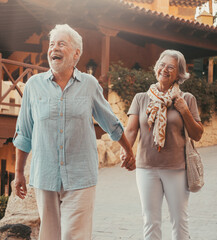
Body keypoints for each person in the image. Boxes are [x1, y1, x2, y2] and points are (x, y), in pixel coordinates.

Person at [13, 24, 135, 240]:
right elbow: (24, 132)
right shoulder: (33, 85)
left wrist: (128, 150)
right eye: (52, 44)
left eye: (61, 44)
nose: (54, 49)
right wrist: (19, 173)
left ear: (76, 53)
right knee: (49, 236)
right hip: (45, 175)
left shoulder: (89, 85)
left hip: (80, 175)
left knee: (75, 236)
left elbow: (110, 121)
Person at [121, 49, 203, 240]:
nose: (164, 69)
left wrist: (185, 111)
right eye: (162, 64)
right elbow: (131, 130)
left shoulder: (187, 99)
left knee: (179, 221)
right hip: (146, 168)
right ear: (156, 67)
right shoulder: (141, 98)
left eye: (171, 67)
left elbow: (197, 135)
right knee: (150, 221)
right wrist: (126, 151)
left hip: (177, 169)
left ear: (179, 74)